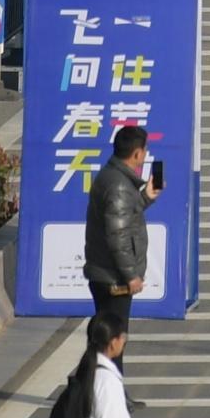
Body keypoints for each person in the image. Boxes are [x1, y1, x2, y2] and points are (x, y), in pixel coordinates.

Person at [81, 121, 151, 349]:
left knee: (103, 342)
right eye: (144, 151)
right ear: (137, 153)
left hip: (104, 273)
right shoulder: (120, 186)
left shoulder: (112, 177)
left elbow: (120, 217)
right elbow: (118, 236)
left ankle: (95, 381)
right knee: (113, 344)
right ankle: (106, 384)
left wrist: (146, 198)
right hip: (113, 279)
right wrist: (131, 275)